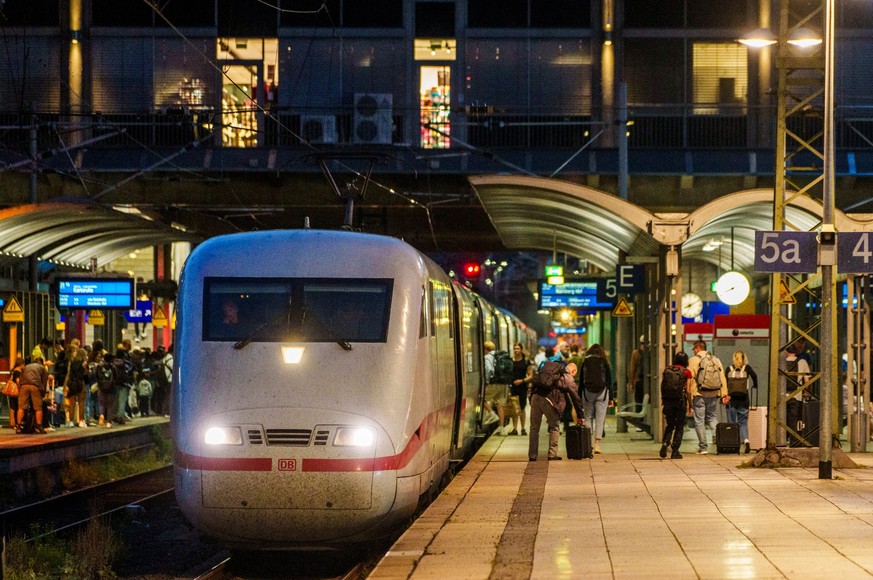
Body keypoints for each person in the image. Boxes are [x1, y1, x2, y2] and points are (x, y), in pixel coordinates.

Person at [528, 362, 584, 461]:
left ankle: (532, 455)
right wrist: (580, 415)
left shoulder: (549, 373)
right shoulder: (568, 378)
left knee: (534, 428)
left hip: (535, 397)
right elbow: (575, 397)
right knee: (554, 427)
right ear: (574, 371)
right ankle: (552, 454)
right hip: (549, 399)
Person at [688, 340, 727, 454]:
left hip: (699, 393)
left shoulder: (694, 360)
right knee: (712, 417)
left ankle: (703, 447)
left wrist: (688, 397)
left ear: (697, 348)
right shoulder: (716, 360)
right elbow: (722, 377)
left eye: (694, 349)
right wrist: (724, 394)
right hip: (714, 393)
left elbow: (689, 379)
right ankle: (720, 442)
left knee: (699, 420)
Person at [580, 343, 613, 454]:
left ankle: (588, 445)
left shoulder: (585, 361)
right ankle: (597, 445)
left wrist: (580, 395)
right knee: (600, 419)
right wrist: (611, 398)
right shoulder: (604, 362)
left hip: (587, 392)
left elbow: (581, 380)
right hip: (602, 392)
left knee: (588, 418)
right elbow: (609, 381)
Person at [724, 350, 759, 454]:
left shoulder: (729, 369)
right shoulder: (747, 368)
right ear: (744, 358)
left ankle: (734, 445)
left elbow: (725, 383)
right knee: (743, 423)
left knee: (732, 423)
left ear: (734, 358)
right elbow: (755, 376)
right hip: (744, 399)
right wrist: (755, 385)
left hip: (731, 400)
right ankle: (746, 441)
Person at [660, 351, 692, 459]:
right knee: (679, 426)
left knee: (670, 425)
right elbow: (688, 390)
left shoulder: (667, 369)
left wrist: (663, 399)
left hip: (668, 401)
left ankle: (665, 442)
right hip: (680, 401)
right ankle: (675, 450)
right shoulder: (686, 372)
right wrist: (690, 404)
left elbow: (663, 385)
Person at [16, 357, 50, 434]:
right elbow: (44, 381)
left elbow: (21, 377)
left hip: (24, 385)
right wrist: (43, 391)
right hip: (35, 386)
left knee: (21, 407)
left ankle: (19, 426)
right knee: (38, 407)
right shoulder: (42, 368)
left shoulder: (27, 366)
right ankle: (39, 427)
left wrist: (21, 387)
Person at [508, 343, 533, 436]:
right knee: (515, 408)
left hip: (522, 387)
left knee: (522, 407)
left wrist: (522, 381)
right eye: (514, 348)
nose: (516, 350)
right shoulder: (510, 361)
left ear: (521, 350)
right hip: (513, 387)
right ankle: (514, 428)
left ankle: (523, 428)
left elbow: (530, 375)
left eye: (518, 348)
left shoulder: (526, 362)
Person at [483, 341, 508, 435]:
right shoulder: (501, 356)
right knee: (500, 405)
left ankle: (492, 414)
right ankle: (501, 428)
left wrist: (487, 382)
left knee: (480, 398)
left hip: (494, 383)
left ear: (486, 349)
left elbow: (488, 370)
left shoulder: (487, 357)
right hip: (504, 383)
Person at [5, 357, 24, 429]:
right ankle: (17, 423)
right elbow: (18, 381)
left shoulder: (13, 371)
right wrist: (21, 388)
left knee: (13, 407)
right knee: (17, 407)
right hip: (16, 392)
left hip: (12, 392)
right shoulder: (17, 372)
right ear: (21, 364)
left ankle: (14, 423)